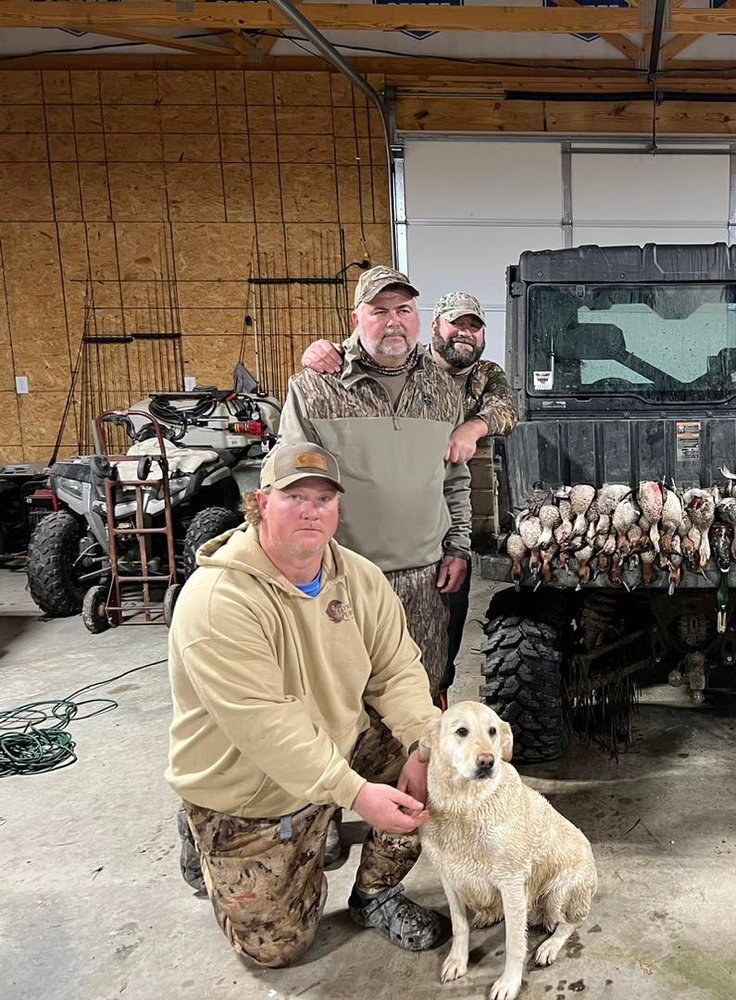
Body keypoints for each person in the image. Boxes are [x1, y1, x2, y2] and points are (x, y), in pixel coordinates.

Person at [166, 442, 445, 967]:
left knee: (443, 780)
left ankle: (374, 896)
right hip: (250, 779)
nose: (312, 510)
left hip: (335, 741)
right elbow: (270, 731)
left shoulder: (359, 578)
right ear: (261, 503)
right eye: (295, 496)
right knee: (279, 947)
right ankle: (204, 829)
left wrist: (424, 744)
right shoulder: (218, 602)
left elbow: (397, 670)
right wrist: (356, 794)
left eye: (324, 498)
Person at [301, 290, 519, 695]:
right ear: (434, 326)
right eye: (457, 324)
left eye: (474, 326)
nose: (465, 334)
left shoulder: (485, 374)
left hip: (450, 520)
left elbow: (506, 408)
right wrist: (324, 352)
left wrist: (470, 428)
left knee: (442, 633)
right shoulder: (397, 363)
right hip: (365, 546)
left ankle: (435, 703)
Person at [281, 266, 471, 708]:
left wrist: (458, 547)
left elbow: (455, 480)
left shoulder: (444, 390)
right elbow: (291, 489)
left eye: (403, 310)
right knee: (344, 697)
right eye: (378, 311)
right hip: (342, 578)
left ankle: (417, 775)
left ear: (418, 318)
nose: (393, 321)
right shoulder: (315, 387)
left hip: (427, 580)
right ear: (355, 319)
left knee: (421, 692)